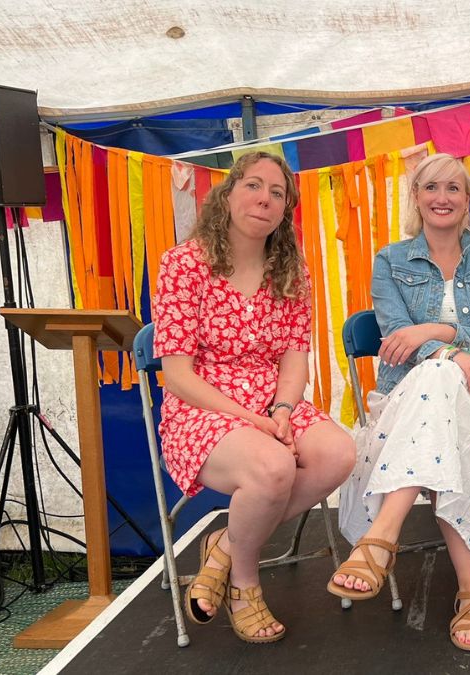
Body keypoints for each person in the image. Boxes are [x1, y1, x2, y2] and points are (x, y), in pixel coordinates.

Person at [151, 151, 356, 644]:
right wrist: (251, 419)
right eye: (253, 185)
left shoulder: (289, 270)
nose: (265, 198)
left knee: (340, 453)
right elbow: (177, 376)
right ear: (228, 193)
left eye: (277, 193)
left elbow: (293, 359)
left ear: (285, 209)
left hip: (270, 400)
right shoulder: (183, 264)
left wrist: (282, 410)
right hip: (202, 407)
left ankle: (225, 545)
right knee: (273, 469)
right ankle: (244, 580)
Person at [334, 153, 470, 652]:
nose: (443, 197)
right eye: (432, 187)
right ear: (416, 198)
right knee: (439, 380)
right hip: (404, 401)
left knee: (442, 378)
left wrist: (437, 331)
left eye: (454, 189)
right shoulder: (390, 261)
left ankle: (380, 540)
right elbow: (397, 337)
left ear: (468, 202)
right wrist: (455, 354)